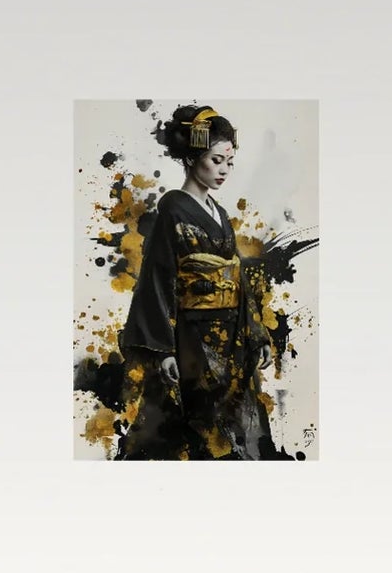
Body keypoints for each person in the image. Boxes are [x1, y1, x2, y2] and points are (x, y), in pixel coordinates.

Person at [118, 104, 278, 460]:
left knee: (236, 426)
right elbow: (158, 279)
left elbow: (235, 279)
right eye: (217, 160)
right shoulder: (173, 208)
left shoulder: (219, 214)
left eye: (229, 162)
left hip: (231, 337)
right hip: (191, 337)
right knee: (198, 426)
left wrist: (256, 335)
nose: (224, 170)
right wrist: (164, 350)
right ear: (192, 159)